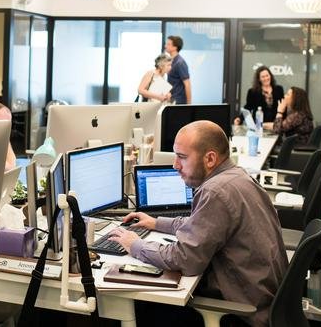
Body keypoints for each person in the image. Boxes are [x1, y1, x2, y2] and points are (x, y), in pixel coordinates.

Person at [109, 121, 287, 327]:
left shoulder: (214, 191)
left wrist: (135, 245)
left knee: (136, 305)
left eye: (182, 157)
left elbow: (185, 260)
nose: (175, 165)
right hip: (263, 301)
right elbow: (203, 225)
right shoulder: (237, 176)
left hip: (241, 315)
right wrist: (157, 223)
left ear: (210, 158)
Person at [165, 36, 191, 104]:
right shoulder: (171, 61)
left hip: (179, 101)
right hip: (171, 99)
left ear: (175, 47)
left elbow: (187, 84)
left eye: (168, 44)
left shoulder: (180, 63)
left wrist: (189, 105)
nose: (165, 46)